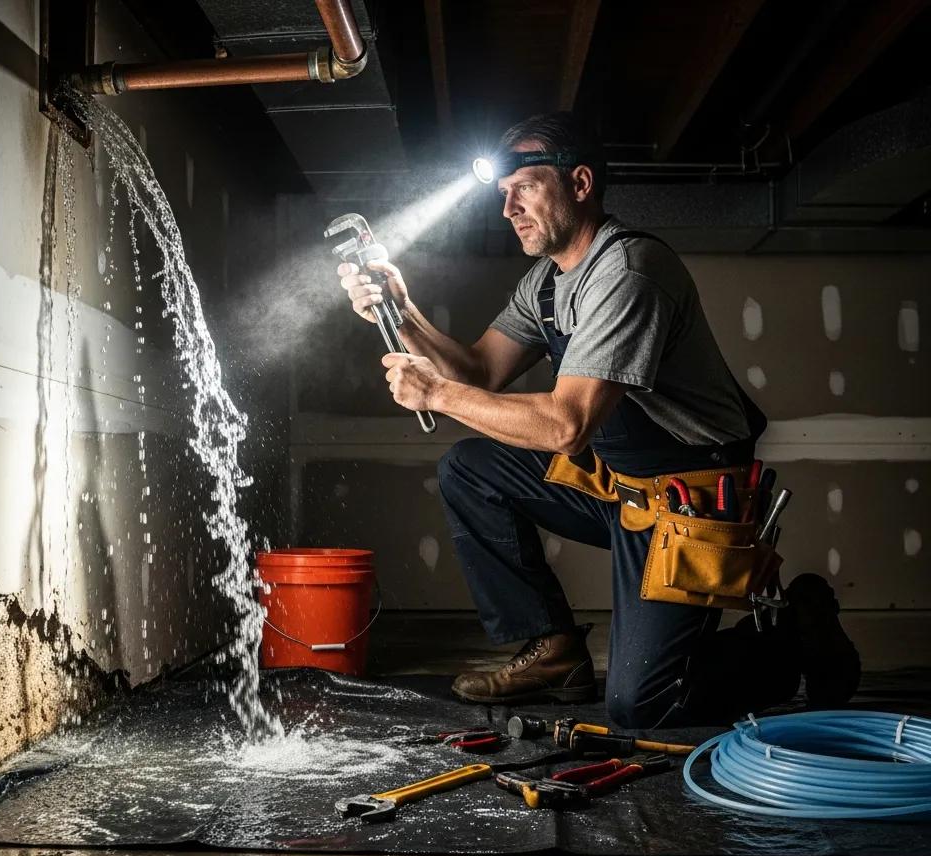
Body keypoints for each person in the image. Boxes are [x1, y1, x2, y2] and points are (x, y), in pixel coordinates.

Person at [337, 112, 860, 727]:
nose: (508, 209)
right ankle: (554, 652)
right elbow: (478, 372)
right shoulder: (550, 284)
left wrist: (434, 395)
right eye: (502, 194)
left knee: (644, 704)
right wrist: (403, 307)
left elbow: (566, 426)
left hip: (685, 508)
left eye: (524, 187)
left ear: (579, 184)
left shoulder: (628, 273)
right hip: (617, 490)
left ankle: (791, 638)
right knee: (471, 468)